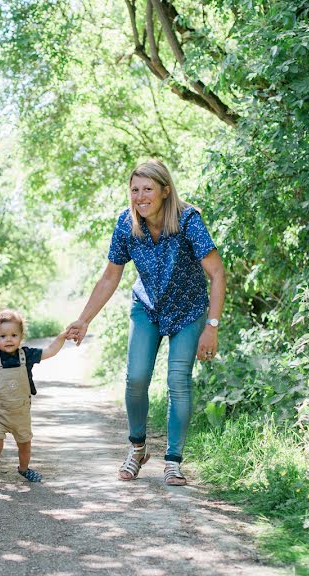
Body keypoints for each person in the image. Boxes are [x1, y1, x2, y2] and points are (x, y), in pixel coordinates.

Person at [65, 159, 225, 486]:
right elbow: (111, 276)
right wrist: (84, 319)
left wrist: (212, 326)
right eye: (135, 190)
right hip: (148, 307)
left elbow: (217, 273)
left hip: (188, 309)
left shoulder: (189, 220)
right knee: (136, 377)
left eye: (147, 189)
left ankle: (173, 461)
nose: (140, 196)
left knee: (178, 380)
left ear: (165, 191)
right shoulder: (126, 224)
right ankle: (137, 448)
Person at [0, 309, 67, 491]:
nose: (9, 339)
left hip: (21, 413)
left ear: (21, 336)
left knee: (25, 445)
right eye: (3, 336)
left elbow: (50, 351)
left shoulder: (27, 355)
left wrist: (62, 336)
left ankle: (24, 469)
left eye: (14, 335)